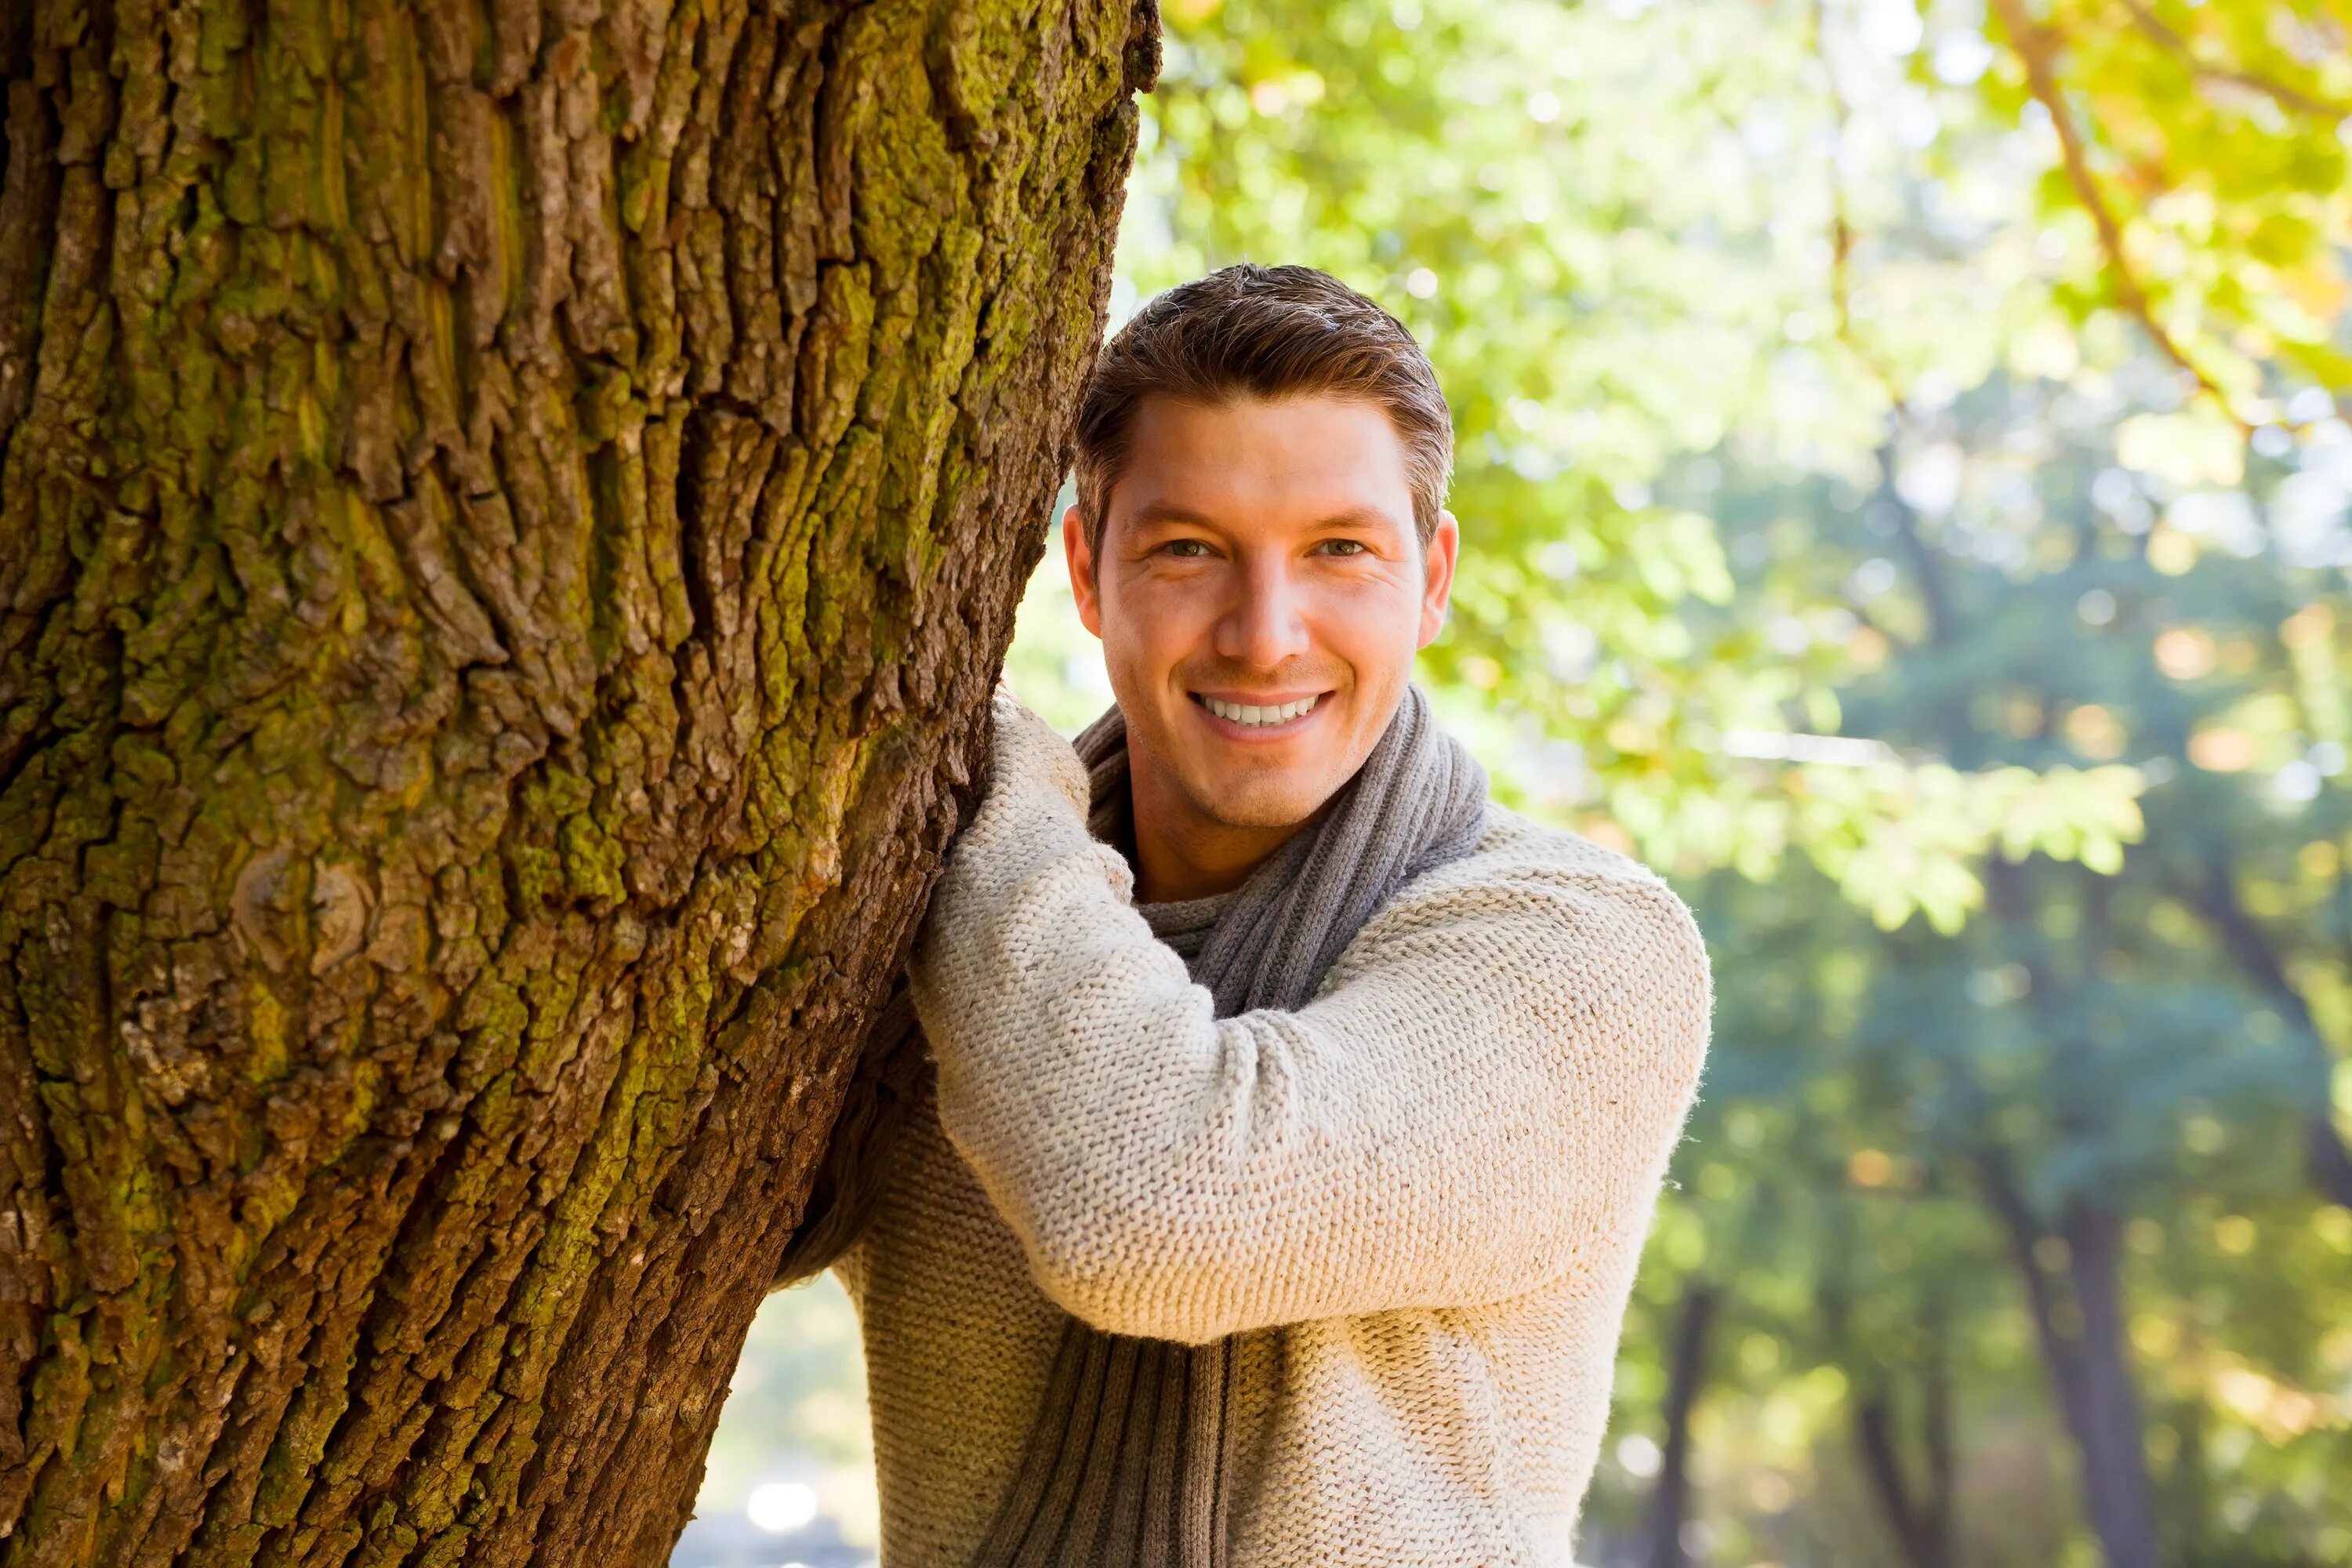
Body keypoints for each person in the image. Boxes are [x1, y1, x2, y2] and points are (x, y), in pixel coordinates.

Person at [774, 263, 1712, 1567]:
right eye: (1188, 551)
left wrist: (966, 747)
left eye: (1340, 551)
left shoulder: (1583, 948)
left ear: (1430, 581)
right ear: (1088, 576)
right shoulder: (960, 905)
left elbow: (1156, 1208)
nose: (1266, 636)